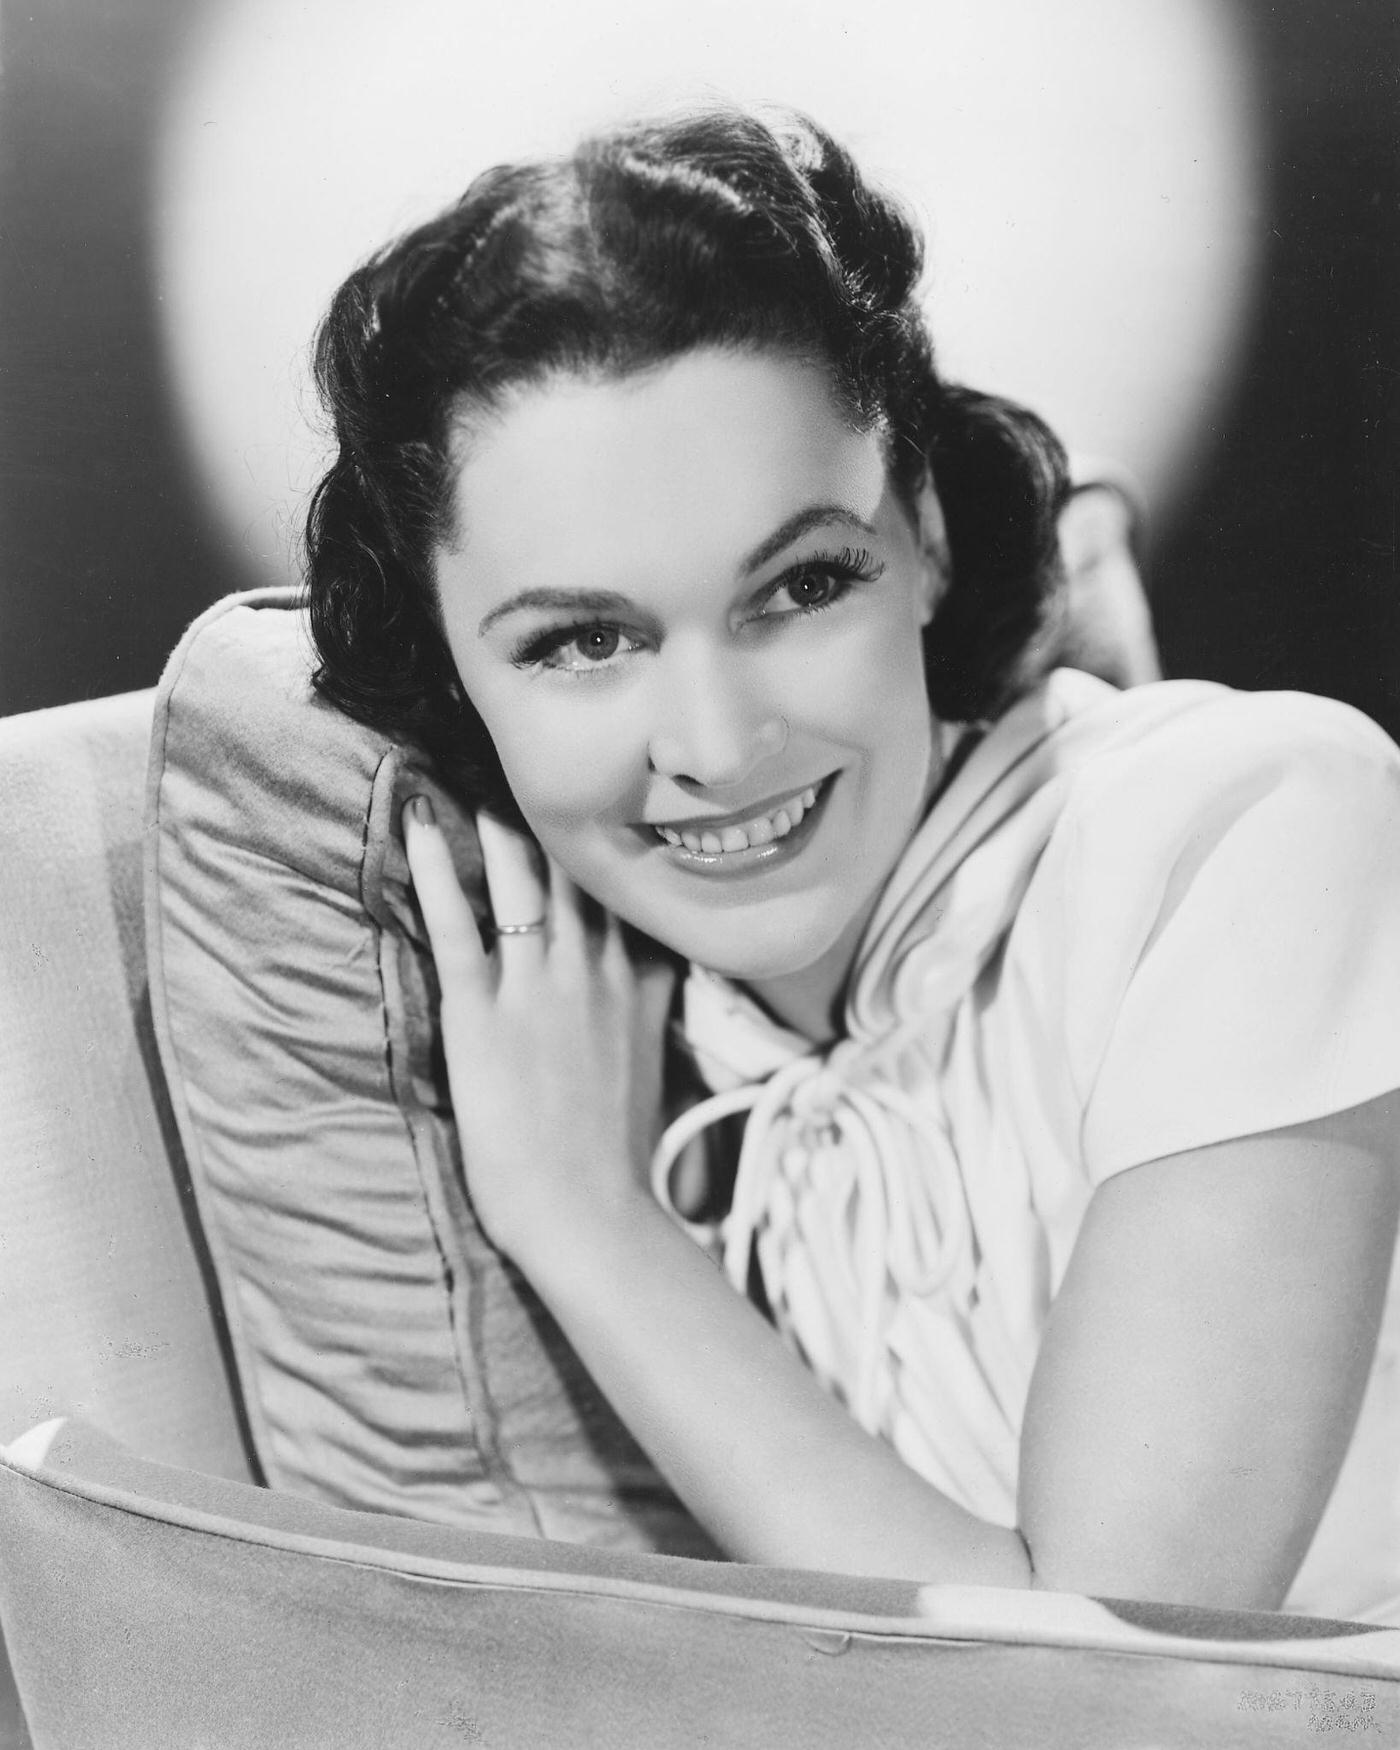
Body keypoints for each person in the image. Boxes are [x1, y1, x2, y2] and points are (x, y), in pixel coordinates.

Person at [302, 107, 1400, 1617]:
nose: (717, 738)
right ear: (454, 677)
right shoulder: (642, 1036)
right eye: (582, 641)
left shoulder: (1249, 823)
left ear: (928, 538)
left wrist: (588, 1222)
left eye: (803, 584)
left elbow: (1115, 1690)